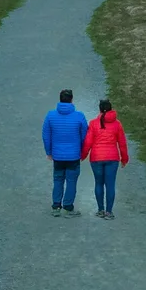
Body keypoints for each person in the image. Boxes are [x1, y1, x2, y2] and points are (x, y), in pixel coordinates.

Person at [42, 88, 88, 217]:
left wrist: (49, 151)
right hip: (73, 155)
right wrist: (83, 151)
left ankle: (56, 206)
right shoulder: (79, 116)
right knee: (71, 181)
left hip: (57, 155)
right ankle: (68, 207)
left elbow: (46, 135)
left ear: (60, 99)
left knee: (58, 180)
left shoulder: (50, 115)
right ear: (72, 100)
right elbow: (85, 136)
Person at [81, 98, 129, 219]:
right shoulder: (117, 124)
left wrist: (83, 155)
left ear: (100, 109)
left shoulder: (93, 123)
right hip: (112, 158)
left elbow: (88, 142)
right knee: (110, 184)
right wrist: (124, 158)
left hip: (96, 158)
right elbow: (122, 143)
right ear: (111, 109)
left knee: (98, 183)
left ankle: (100, 209)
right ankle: (109, 212)